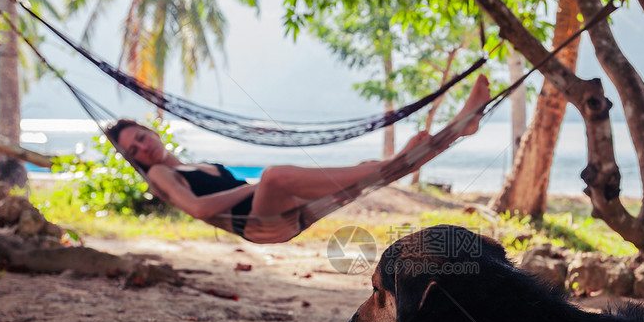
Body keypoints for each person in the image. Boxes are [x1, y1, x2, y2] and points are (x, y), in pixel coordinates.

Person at [106, 74, 490, 244]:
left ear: (151, 129)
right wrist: (255, 186)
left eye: (140, 138)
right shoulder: (158, 174)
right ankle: (409, 155)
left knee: (361, 174)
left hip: (276, 215)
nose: (142, 149)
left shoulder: (188, 164)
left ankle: (457, 129)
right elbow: (198, 208)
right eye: (133, 152)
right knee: (274, 175)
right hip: (260, 225)